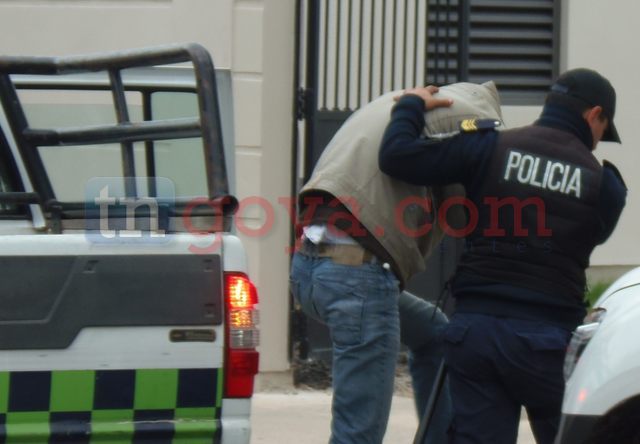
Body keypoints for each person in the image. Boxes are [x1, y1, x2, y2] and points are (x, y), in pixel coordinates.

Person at [378, 69, 627, 444]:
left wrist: (411, 105)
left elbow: (396, 156)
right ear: (594, 115)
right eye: (602, 131)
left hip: (477, 333)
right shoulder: (604, 184)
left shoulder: (487, 146)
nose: (596, 143)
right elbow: (596, 235)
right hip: (548, 343)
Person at [289, 81, 504, 444]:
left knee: (435, 332)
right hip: (356, 277)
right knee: (358, 434)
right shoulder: (474, 121)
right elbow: (461, 212)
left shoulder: (407, 104)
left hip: (309, 268)